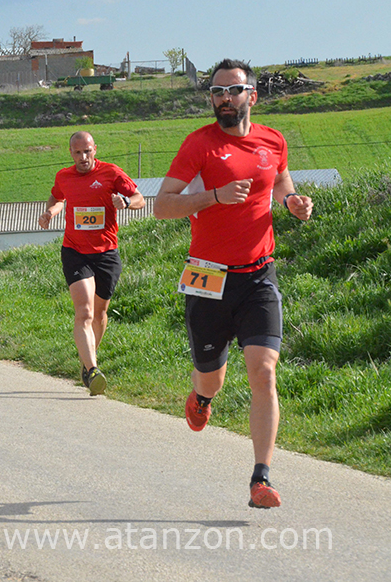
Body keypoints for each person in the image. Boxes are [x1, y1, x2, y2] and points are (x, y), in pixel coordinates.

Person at [153, 58, 313, 510]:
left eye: (233, 91)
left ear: (252, 96)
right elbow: (162, 205)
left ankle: (260, 477)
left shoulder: (273, 140)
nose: (224, 98)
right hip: (208, 277)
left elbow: (279, 183)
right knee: (212, 378)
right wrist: (213, 197)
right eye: (217, 92)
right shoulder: (198, 145)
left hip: (259, 273)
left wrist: (292, 202)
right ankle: (202, 399)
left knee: (264, 370)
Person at [38, 131, 145, 396]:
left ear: (94, 149)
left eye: (87, 151)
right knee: (84, 312)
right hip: (75, 251)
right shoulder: (64, 176)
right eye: (77, 152)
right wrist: (51, 211)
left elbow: (140, 199)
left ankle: (87, 364)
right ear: (70, 153)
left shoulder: (111, 173)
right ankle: (94, 369)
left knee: (99, 314)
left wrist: (126, 202)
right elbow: (57, 197)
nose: (83, 157)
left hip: (107, 253)